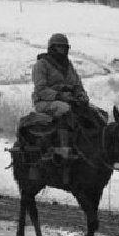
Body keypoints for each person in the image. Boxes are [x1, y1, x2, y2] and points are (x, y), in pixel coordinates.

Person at [32, 33, 92, 183]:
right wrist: (61, 95)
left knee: (96, 113)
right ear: (52, 48)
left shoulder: (68, 65)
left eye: (65, 47)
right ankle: (63, 149)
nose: (63, 50)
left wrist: (81, 95)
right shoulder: (42, 64)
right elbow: (41, 89)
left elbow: (77, 84)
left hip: (70, 99)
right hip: (45, 101)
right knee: (64, 109)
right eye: (60, 47)